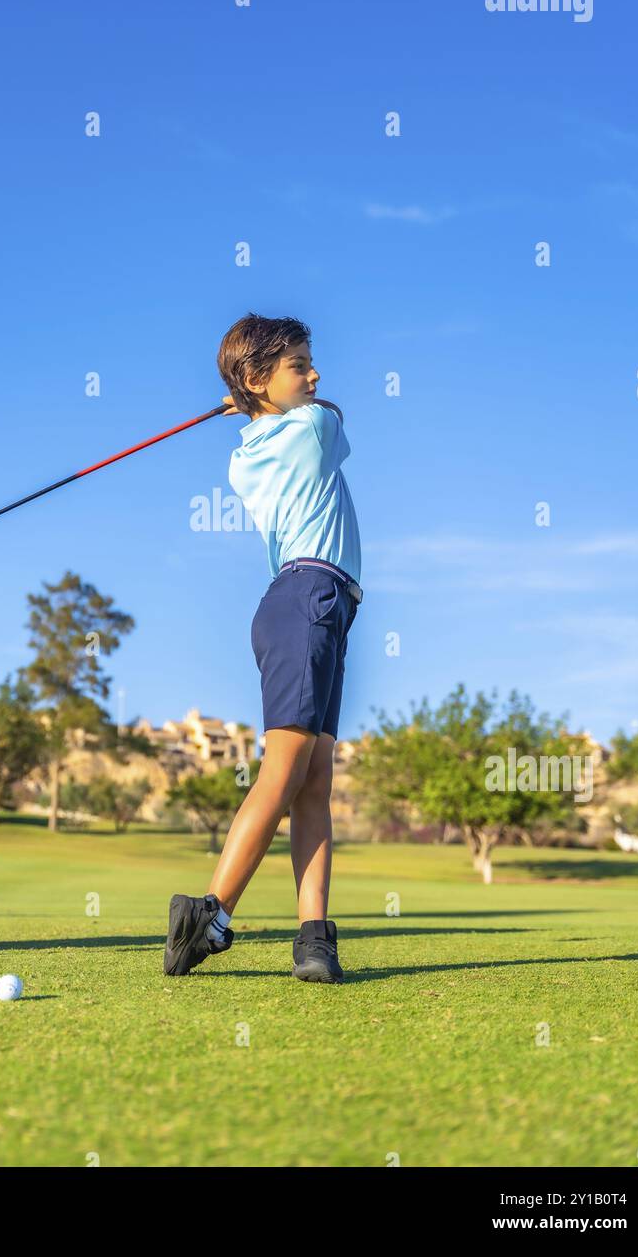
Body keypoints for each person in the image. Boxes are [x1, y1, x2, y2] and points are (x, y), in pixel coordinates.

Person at [163, 313, 363, 984]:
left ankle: (314, 939)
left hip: (309, 606)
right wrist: (259, 402)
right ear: (257, 379)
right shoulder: (313, 427)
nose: (314, 375)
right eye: (300, 365)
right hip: (309, 597)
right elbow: (331, 413)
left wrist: (251, 404)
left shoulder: (243, 454)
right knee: (284, 774)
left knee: (314, 780)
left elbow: (275, 414)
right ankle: (211, 914)